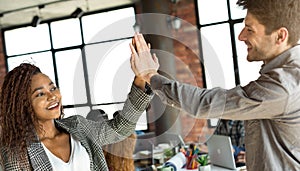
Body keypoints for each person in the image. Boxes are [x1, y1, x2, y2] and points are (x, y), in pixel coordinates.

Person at [129, 0, 300, 170]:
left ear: (280, 36)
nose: (241, 36)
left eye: (250, 29)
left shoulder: (283, 86)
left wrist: (150, 75)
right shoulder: (287, 74)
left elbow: (205, 103)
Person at [0, 63, 153, 170]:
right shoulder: (16, 153)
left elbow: (121, 128)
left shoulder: (78, 127)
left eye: (53, 88)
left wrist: (141, 78)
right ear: (24, 105)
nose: (52, 96)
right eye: (40, 94)